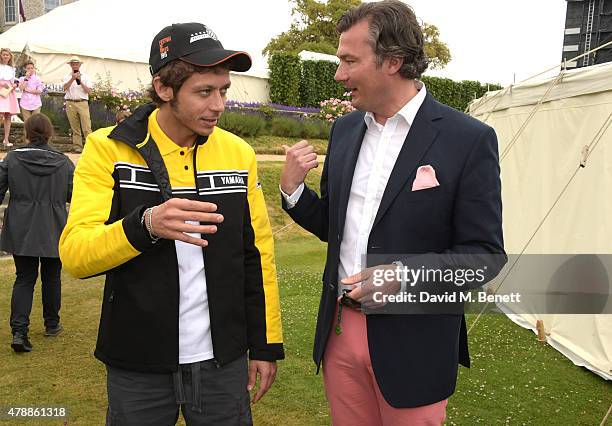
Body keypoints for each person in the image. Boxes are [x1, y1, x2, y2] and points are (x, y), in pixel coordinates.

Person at [280, 1, 506, 424]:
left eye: (349, 60)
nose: (338, 74)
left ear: (394, 62)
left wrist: (403, 276)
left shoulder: (468, 140)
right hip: (340, 333)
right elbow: (339, 227)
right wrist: (293, 192)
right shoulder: (346, 129)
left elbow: (484, 255)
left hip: (415, 343)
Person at [59, 22, 283, 425]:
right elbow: (76, 254)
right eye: (204, 92)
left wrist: (265, 346)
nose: (218, 105)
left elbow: (257, 255)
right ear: (164, 89)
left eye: (224, 90)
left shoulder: (239, 153)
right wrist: (144, 225)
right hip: (138, 362)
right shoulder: (107, 149)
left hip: (223, 362)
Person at [0, 113, 74, 353]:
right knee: (51, 276)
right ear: (50, 133)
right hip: (53, 223)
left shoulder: (12, 159)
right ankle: (52, 323)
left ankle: (19, 330)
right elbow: (74, 195)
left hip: (22, 224)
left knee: (24, 277)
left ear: (27, 133)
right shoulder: (63, 163)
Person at [62, 56, 92, 153]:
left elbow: (89, 91)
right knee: (75, 127)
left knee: (86, 126)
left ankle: (89, 147)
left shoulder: (86, 77)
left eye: (76, 63)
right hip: (70, 102)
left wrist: (80, 81)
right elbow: (65, 88)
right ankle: (77, 146)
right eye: (73, 63)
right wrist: (72, 79)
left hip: (82, 102)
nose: (74, 65)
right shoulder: (66, 76)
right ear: (70, 65)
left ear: (79, 65)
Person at [0, 48, 20, 147]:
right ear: (1, 55)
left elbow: (13, 81)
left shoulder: (12, 68)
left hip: (8, 92)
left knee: (8, 116)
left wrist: (14, 86)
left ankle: (6, 140)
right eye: (4, 54)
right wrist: (3, 83)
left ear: (10, 56)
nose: (5, 56)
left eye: (7, 55)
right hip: (0, 91)